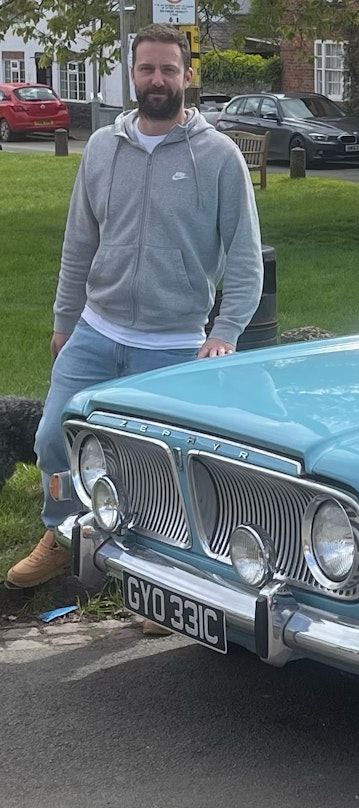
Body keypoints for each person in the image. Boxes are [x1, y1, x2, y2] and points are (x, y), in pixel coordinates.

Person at [5, 24, 263, 623]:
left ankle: (159, 583)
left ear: (186, 74)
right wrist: (65, 322)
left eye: (168, 70)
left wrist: (223, 334)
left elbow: (246, 258)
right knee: (52, 440)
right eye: (146, 69)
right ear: (131, 74)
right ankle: (65, 532)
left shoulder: (219, 157)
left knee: (161, 472)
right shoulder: (101, 147)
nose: (157, 80)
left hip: (173, 346)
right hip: (96, 333)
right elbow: (79, 244)